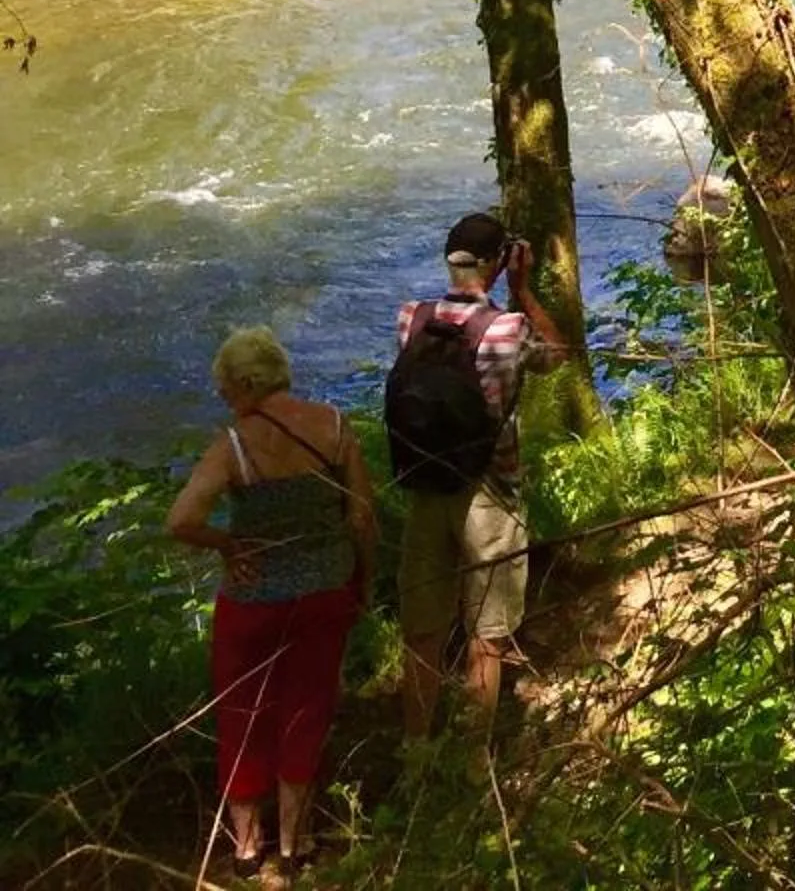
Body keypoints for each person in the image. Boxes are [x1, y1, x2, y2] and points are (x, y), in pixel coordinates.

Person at [166, 326, 375, 883]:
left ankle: (246, 848)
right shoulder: (333, 426)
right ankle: (297, 842)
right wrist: (362, 582)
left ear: (245, 382)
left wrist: (230, 545)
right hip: (325, 593)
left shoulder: (232, 446)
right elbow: (361, 517)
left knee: (242, 716)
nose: (222, 397)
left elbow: (181, 521)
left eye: (225, 387)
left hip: (253, 604)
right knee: (306, 711)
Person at [391, 211, 566, 735]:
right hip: (490, 493)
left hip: (424, 486)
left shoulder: (410, 318)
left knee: (422, 632)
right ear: (497, 264)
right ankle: (471, 765)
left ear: (450, 260)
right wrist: (524, 288)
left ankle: (416, 757)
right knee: (485, 636)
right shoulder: (508, 329)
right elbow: (557, 355)